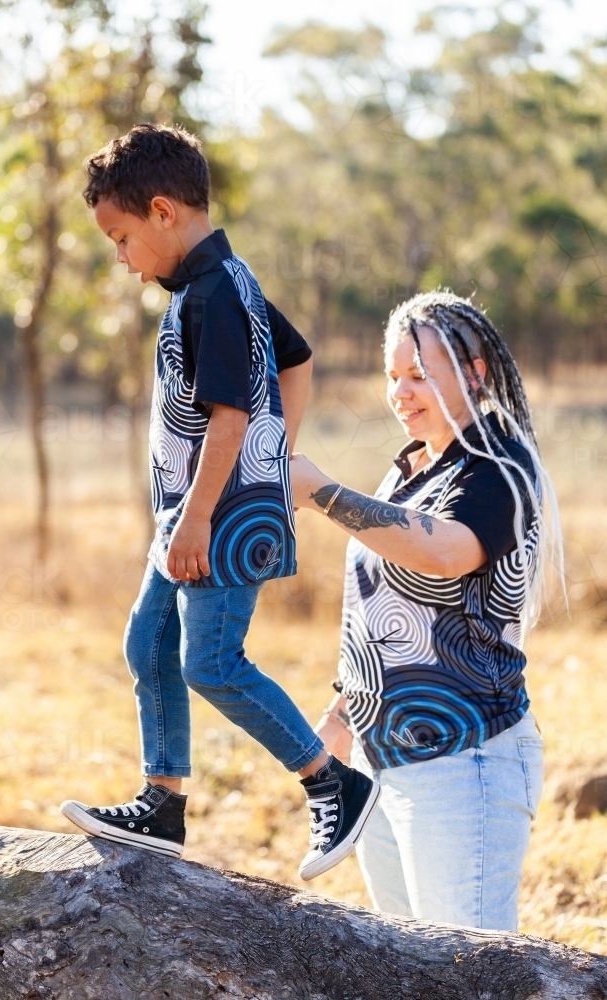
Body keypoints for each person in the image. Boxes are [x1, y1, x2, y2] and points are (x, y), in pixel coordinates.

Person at [60, 123, 380, 880]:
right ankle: (161, 805)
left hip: (219, 520)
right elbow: (296, 360)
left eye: (121, 237)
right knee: (148, 645)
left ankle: (332, 781)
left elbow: (232, 416)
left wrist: (216, 502)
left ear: (164, 212)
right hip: (199, 512)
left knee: (209, 660)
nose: (120, 257)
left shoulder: (214, 294)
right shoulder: (222, 283)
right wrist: (279, 457)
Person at [291, 290, 563, 928]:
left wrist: (322, 493)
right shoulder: (411, 469)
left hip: (463, 763)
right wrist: (341, 713)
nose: (400, 392)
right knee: (413, 971)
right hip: (381, 764)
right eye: (392, 376)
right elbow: (384, 611)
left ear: (475, 374)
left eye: (418, 375)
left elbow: (445, 552)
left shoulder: (500, 467)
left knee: (468, 974)